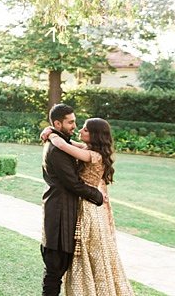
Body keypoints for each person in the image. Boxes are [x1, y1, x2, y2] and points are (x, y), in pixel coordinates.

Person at [44, 117, 135, 296]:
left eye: (85, 129)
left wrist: (52, 136)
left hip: (89, 206)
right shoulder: (89, 149)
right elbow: (72, 143)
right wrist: (50, 130)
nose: (80, 130)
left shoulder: (92, 155)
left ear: (94, 135)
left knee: (89, 250)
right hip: (90, 202)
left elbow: (63, 146)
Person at [41, 104, 104, 296]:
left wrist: (50, 131)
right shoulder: (57, 149)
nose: (74, 126)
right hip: (59, 214)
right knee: (54, 270)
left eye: (75, 122)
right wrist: (98, 196)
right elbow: (73, 184)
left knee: (59, 268)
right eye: (70, 122)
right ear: (58, 123)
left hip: (66, 212)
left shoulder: (62, 141)